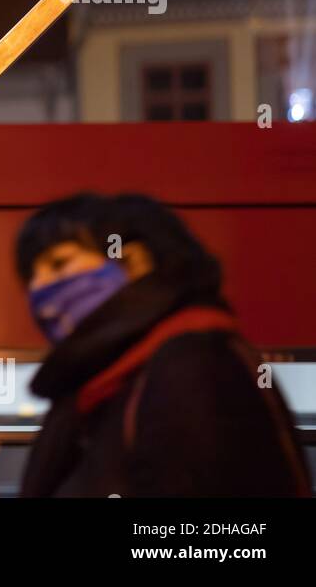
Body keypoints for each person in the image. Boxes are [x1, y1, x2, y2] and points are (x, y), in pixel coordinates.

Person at [16, 192, 310, 497]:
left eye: (59, 264)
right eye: (30, 278)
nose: (38, 290)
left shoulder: (194, 369)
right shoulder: (97, 390)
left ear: (134, 262)